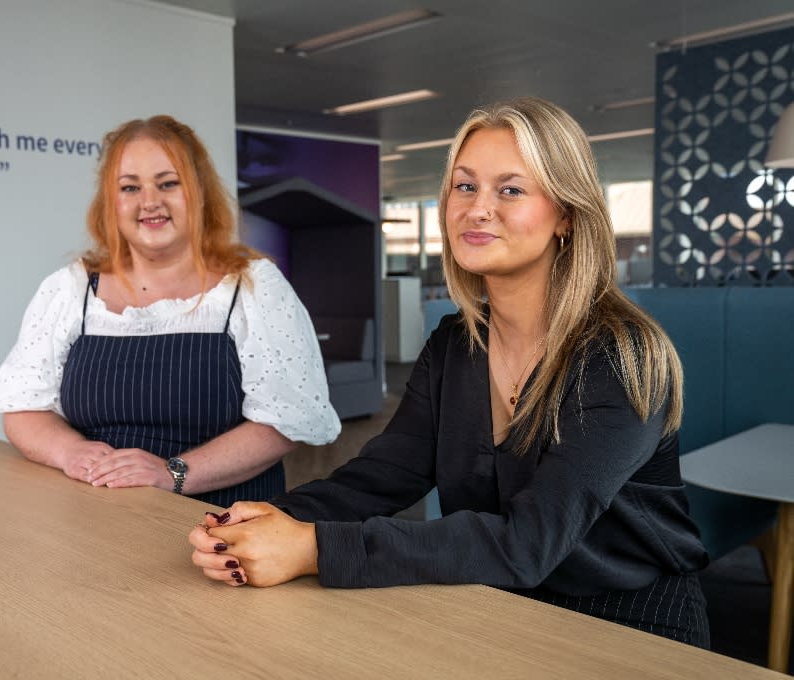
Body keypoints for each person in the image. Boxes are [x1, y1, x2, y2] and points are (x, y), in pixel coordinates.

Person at [189, 97, 711, 648]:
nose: (478, 208)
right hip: (492, 605)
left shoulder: (618, 356)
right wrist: (266, 521)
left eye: (510, 189)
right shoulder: (454, 346)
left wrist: (313, 547)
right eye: (465, 186)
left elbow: (525, 545)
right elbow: (381, 478)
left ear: (567, 216)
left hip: (629, 629)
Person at [0, 115, 340, 507]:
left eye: (168, 183)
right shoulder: (71, 288)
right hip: (92, 514)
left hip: (222, 522)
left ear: (199, 193)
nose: (149, 202)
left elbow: (282, 423)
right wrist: (72, 454)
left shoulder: (253, 287)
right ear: (110, 203)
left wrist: (172, 473)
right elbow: (23, 410)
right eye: (130, 187)